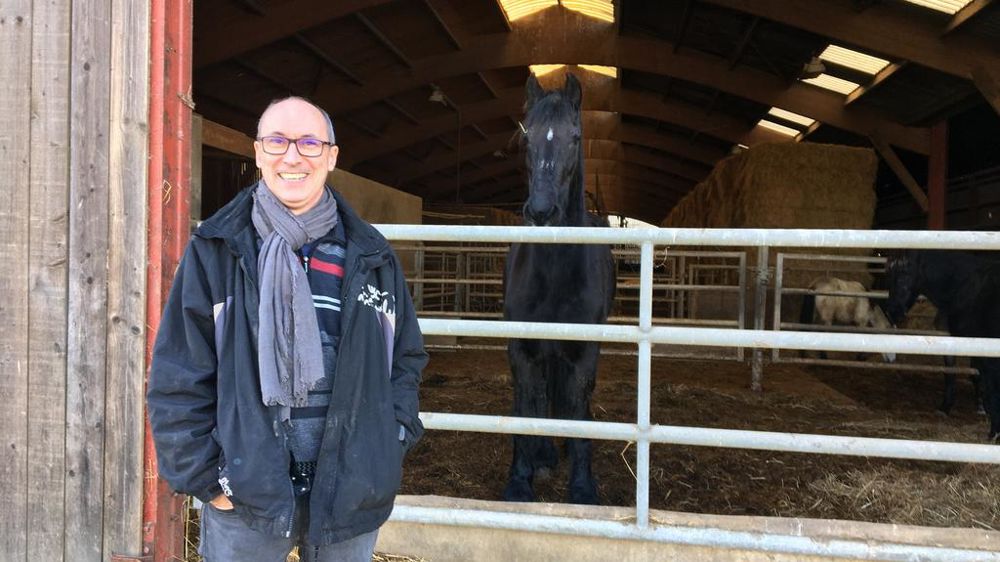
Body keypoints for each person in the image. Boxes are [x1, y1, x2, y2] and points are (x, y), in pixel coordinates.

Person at [147, 96, 426, 562]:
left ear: (332, 156)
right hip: (246, 492)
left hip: (350, 487)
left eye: (309, 142)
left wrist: (390, 439)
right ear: (257, 153)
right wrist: (207, 477)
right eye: (277, 140)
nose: (292, 156)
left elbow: (405, 358)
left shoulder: (371, 256)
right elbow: (179, 371)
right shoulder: (217, 251)